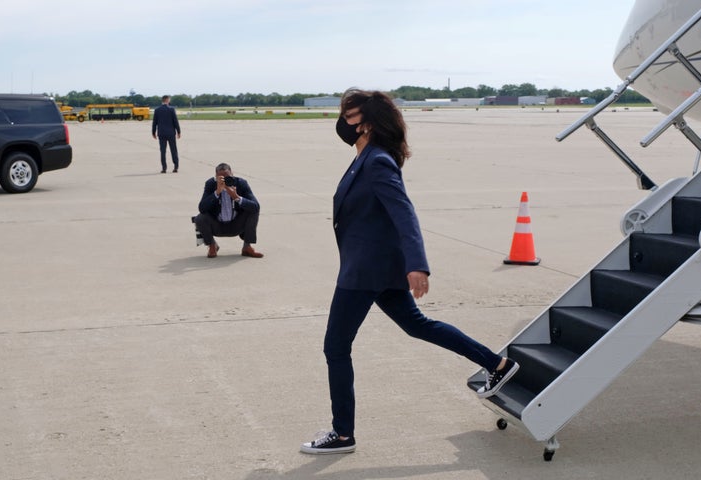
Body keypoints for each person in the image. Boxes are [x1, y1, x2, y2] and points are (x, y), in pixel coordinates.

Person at [300, 88, 519, 455]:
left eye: (348, 115)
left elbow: (404, 213)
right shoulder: (366, 157)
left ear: (366, 123)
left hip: (364, 272)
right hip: (377, 267)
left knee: (336, 347)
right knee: (418, 325)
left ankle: (342, 434)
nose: (342, 121)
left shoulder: (377, 161)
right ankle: (497, 363)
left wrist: (417, 265)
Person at [193, 163, 263, 259]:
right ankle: (212, 246)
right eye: (221, 178)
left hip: (236, 225)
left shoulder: (241, 183)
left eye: (228, 177)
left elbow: (256, 206)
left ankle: (247, 247)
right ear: (216, 177)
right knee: (199, 218)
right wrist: (217, 193)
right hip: (217, 225)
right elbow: (202, 208)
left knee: (252, 210)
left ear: (232, 174)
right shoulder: (211, 184)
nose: (225, 180)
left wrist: (237, 197)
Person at [151, 95, 181, 173]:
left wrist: (153, 132)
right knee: (173, 150)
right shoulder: (171, 109)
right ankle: (176, 167)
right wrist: (179, 131)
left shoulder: (157, 110)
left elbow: (154, 122)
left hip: (161, 133)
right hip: (171, 133)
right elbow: (175, 121)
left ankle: (164, 168)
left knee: (163, 151)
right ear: (167, 100)